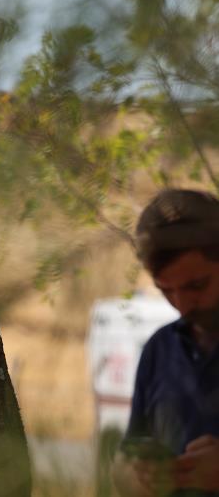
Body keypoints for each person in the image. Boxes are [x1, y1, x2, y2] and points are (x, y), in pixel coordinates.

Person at [112, 189, 219, 496]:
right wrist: (132, 475)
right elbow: (126, 456)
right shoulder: (160, 349)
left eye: (197, 285)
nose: (182, 306)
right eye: (166, 291)